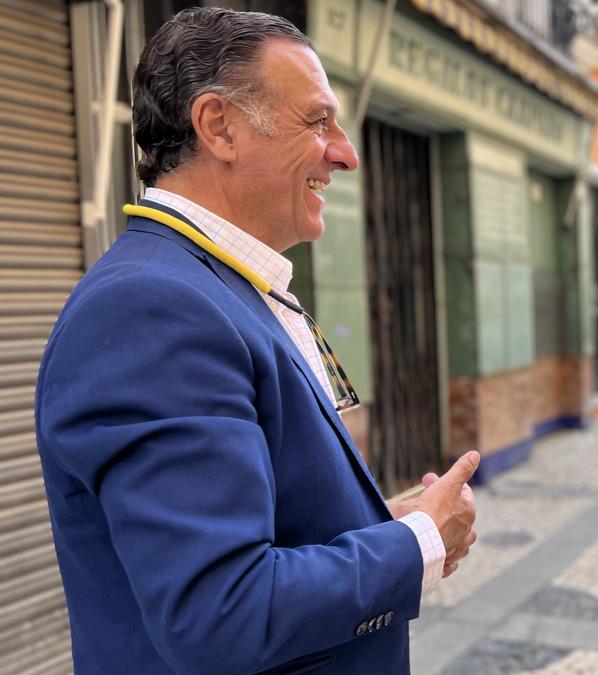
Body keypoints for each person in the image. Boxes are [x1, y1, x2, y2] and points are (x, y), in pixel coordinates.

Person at [35, 9, 476, 673]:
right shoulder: (152, 309)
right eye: (317, 120)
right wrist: (416, 544)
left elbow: (257, 526)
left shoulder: (212, 286)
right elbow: (222, 612)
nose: (346, 153)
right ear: (220, 126)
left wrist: (376, 521)